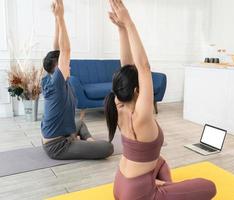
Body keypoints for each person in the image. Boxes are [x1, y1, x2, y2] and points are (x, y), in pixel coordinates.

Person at [104, 0, 217, 199]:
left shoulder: (118, 103)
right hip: (139, 195)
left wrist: (122, 30)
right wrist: (129, 22)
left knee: (160, 161)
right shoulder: (141, 116)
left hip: (120, 185)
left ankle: (163, 187)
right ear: (138, 91)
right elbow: (143, 66)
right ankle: (161, 190)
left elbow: (128, 66)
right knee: (209, 186)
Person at [41, 0, 113, 160]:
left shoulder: (50, 79)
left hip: (61, 134)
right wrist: (61, 17)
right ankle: (82, 142)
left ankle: (87, 140)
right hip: (58, 145)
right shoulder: (57, 85)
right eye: (65, 64)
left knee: (79, 123)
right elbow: (65, 50)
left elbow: (58, 50)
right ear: (58, 68)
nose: (69, 66)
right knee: (108, 148)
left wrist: (55, 20)